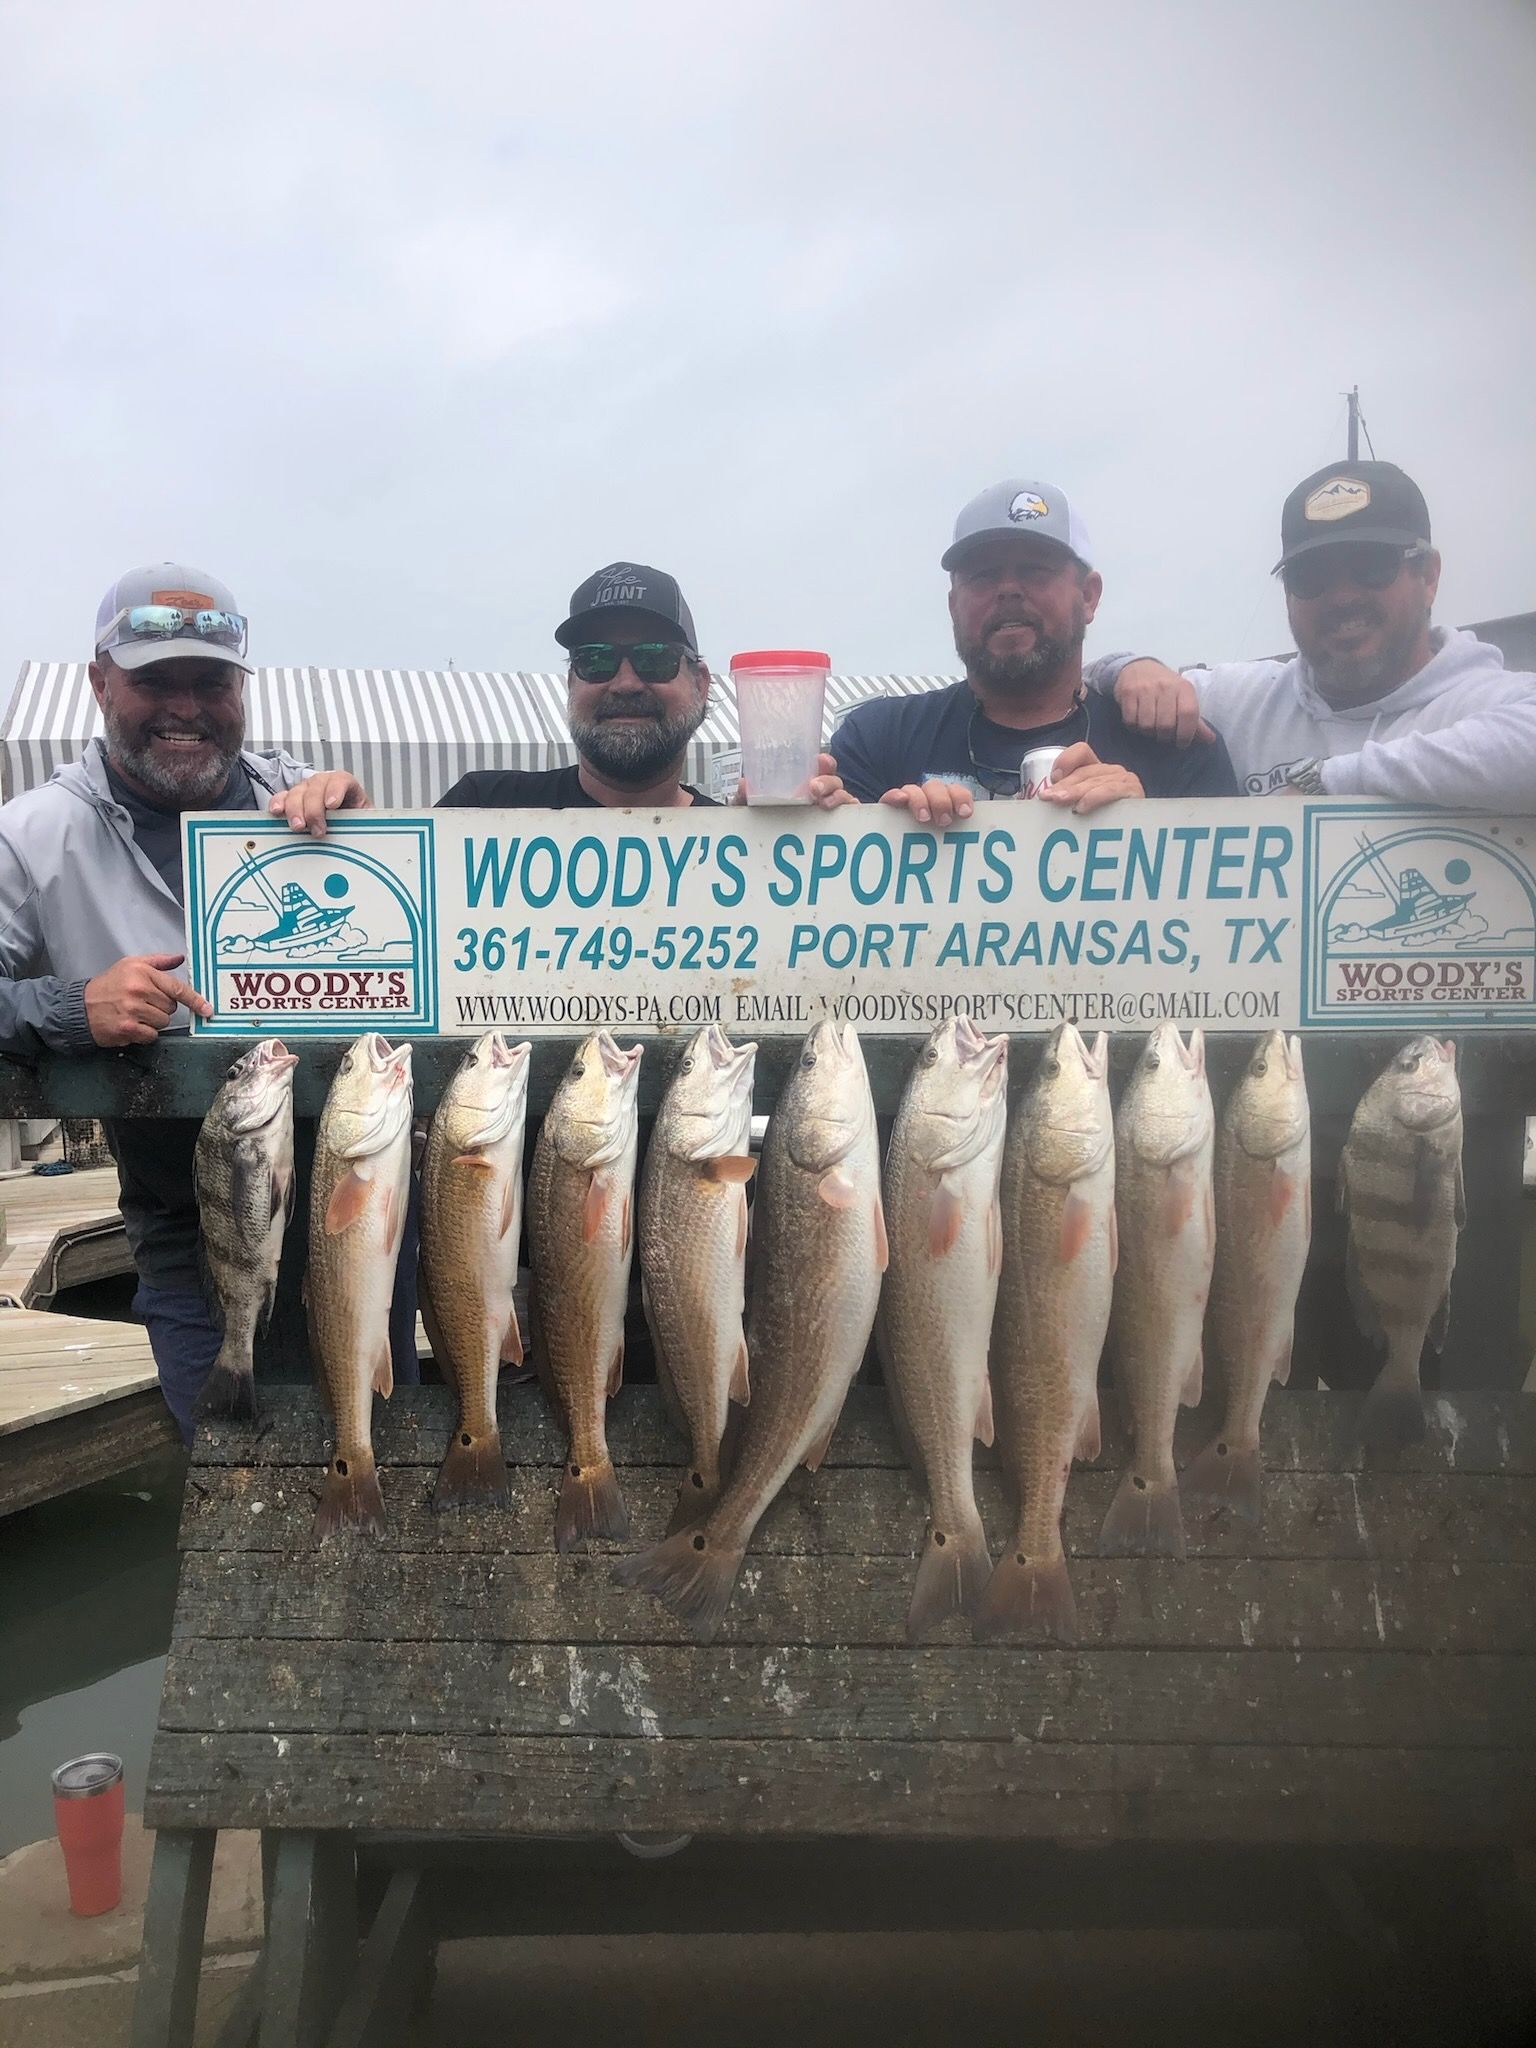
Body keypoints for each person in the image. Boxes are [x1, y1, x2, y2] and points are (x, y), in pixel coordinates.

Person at [0, 564, 411, 1441]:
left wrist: (374, 846)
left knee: (383, 1451)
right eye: (154, 681)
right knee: (234, 1470)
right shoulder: (32, 836)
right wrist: (72, 1006)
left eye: (211, 681)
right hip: (191, 1229)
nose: (184, 705)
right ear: (99, 681)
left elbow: (421, 966)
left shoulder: (307, 804)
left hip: (361, 1194)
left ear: (242, 689)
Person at [1086, 459, 1536, 805]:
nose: (1342, 597)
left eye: (1371, 567)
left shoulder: (1487, 699)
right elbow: (1074, 689)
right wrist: (1128, 669)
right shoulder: (1244, 702)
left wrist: (1325, 782)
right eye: (1310, 576)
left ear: (1429, 575)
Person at [829, 479, 1239, 826]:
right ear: (953, 606)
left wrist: (1141, 826)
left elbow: (1226, 908)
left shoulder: (1176, 748)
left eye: (1035, 571)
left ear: (1089, 596)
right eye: (983, 576)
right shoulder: (877, 740)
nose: (1008, 589)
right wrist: (885, 831)